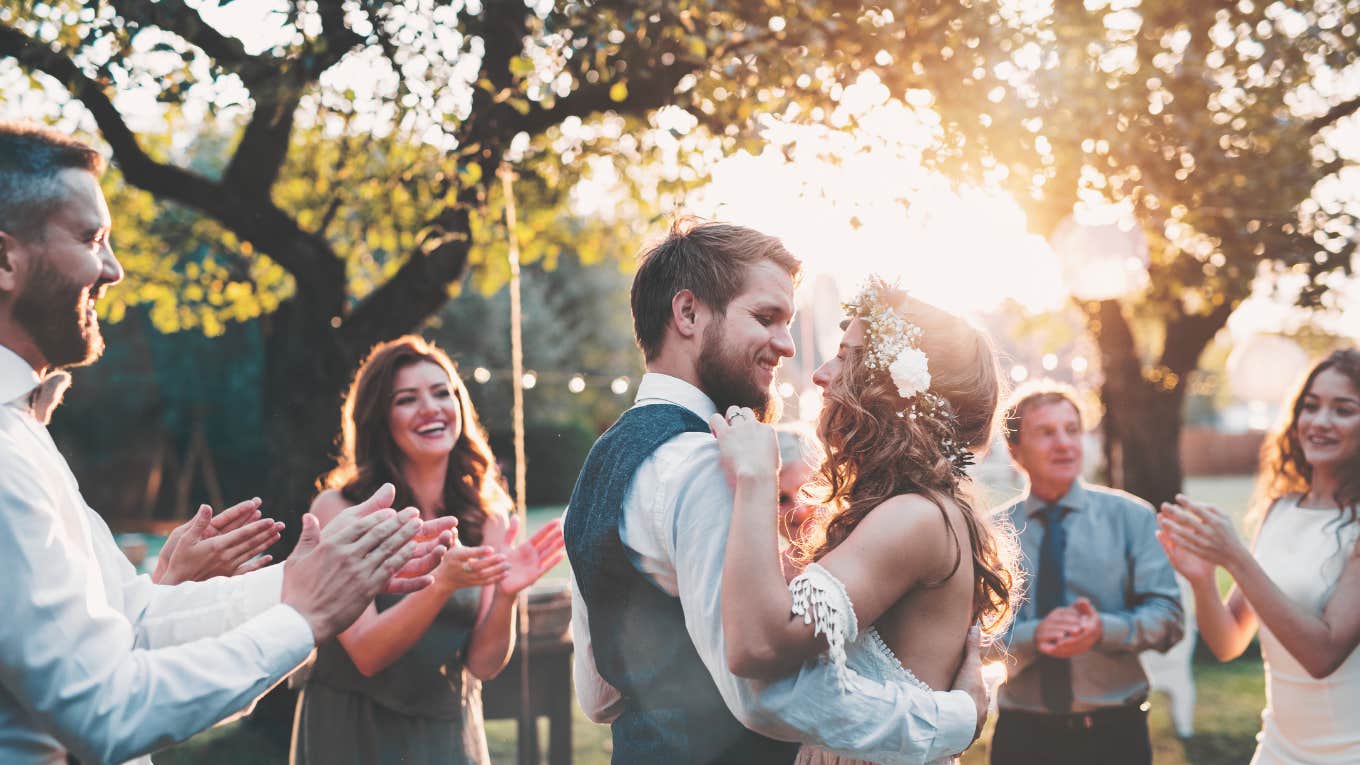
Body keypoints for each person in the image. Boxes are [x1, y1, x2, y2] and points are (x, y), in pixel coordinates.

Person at [0, 121, 450, 764]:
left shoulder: (23, 432)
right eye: (91, 238)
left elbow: (133, 622)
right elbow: (105, 709)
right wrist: (303, 616)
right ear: (4, 260)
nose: (114, 268)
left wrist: (303, 580)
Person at [565, 219, 990, 765]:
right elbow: (764, 695)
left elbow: (600, 696)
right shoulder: (707, 463)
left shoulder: (603, 462)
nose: (790, 348)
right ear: (688, 313)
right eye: (766, 318)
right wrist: (956, 718)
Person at [713, 278, 1021, 765]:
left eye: (846, 356)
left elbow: (755, 649)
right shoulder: (914, 510)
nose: (820, 373)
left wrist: (756, 481)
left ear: (898, 389)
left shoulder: (916, 517)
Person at [292, 335, 566, 765]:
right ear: (380, 418)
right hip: (354, 730)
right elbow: (366, 653)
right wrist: (440, 585)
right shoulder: (340, 509)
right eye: (407, 399)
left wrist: (508, 597)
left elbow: (482, 663)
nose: (431, 408)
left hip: (445, 729)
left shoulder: (487, 516)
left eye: (443, 393)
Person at [1157, 349, 1360, 764]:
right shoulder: (1280, 509)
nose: (1320, 422)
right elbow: (1228, 641)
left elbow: (1322, 655)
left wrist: (1235, 557)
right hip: (1277, 749)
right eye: (1311, 406)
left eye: (1343, 410)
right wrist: (1203, 578)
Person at [986, 382, 1183, 765]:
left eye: (1072, 429)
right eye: (1046, 432)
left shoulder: (1133, 518)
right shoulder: (990, 533)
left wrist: (1103, 630)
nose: (1064, 443)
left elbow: (1169, 620)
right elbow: (967, 638)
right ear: (1014, 451)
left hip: (1116, 737)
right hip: (1022, 739)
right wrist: (1032, 636)